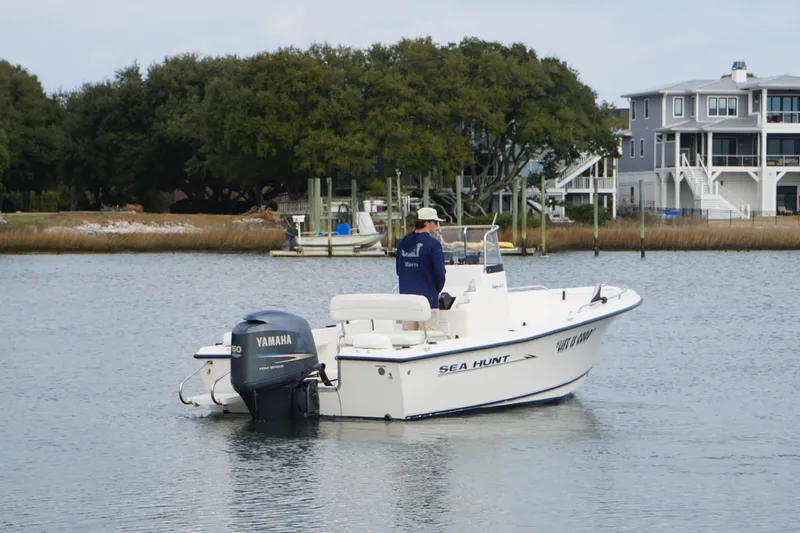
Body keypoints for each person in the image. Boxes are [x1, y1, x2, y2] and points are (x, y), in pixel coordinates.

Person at [396, 207, 446, 331]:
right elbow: (440, 273)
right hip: (427, 299)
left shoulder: (403, 242)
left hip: (407, 300)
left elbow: (398, 270)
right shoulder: (433, 244)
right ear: (426, 223)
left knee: (408, 339)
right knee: (428, 338)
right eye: (435, 222)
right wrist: (436, 291)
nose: (437, 225)